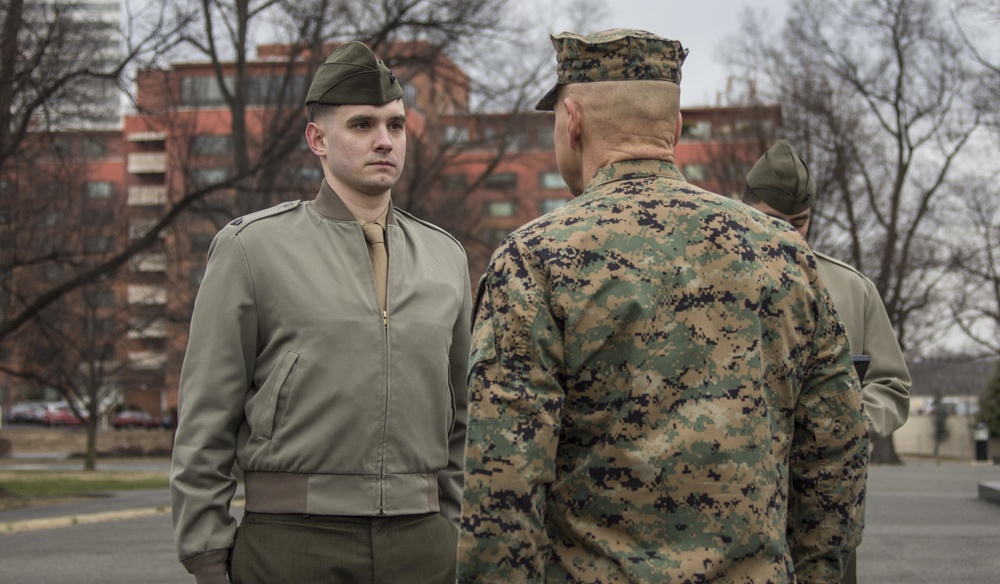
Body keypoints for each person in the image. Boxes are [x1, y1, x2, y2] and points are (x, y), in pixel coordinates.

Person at [457, 29, 870, 583]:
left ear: (572, 121)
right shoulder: (784, 255)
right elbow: (836, 453)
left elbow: (502, 487)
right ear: (674, 130)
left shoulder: (534, 261)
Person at [170, 41, 472, 584]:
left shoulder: (445, 257)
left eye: (396, 126)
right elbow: (206, 415)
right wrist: (207, 553)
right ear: (318, 139)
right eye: (362, 125)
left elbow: (463, 415)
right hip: (291, 541)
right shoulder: (252, 248)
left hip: (422, 543)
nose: (384, 141)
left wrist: (450, 526)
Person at [744, 139, 912, 584]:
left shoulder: (853, 290)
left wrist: (850, 421)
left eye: (800, 224)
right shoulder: (713, 283)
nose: (790, 236)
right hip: (739, 500)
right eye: (775, 223)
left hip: (826, 502)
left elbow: (891, 385)